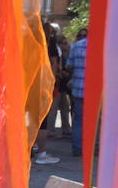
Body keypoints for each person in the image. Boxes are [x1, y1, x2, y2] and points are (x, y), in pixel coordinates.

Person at [32, 19, 61, 165]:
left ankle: (30, 147)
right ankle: (41, 153)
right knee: (41, 120)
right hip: (43, 86)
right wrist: (53, 82)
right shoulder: (49, 46)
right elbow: (53, 66)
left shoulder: (29, 42)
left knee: (29, 119)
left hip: (29, 86)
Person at [64, 26, 87, 157]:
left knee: (78, 119)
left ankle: (77, 147)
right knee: (95, 121)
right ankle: (92, 147)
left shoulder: (76, 46)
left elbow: (68, 65)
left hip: (78, 87)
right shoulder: (101, 45)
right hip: (95, 92)